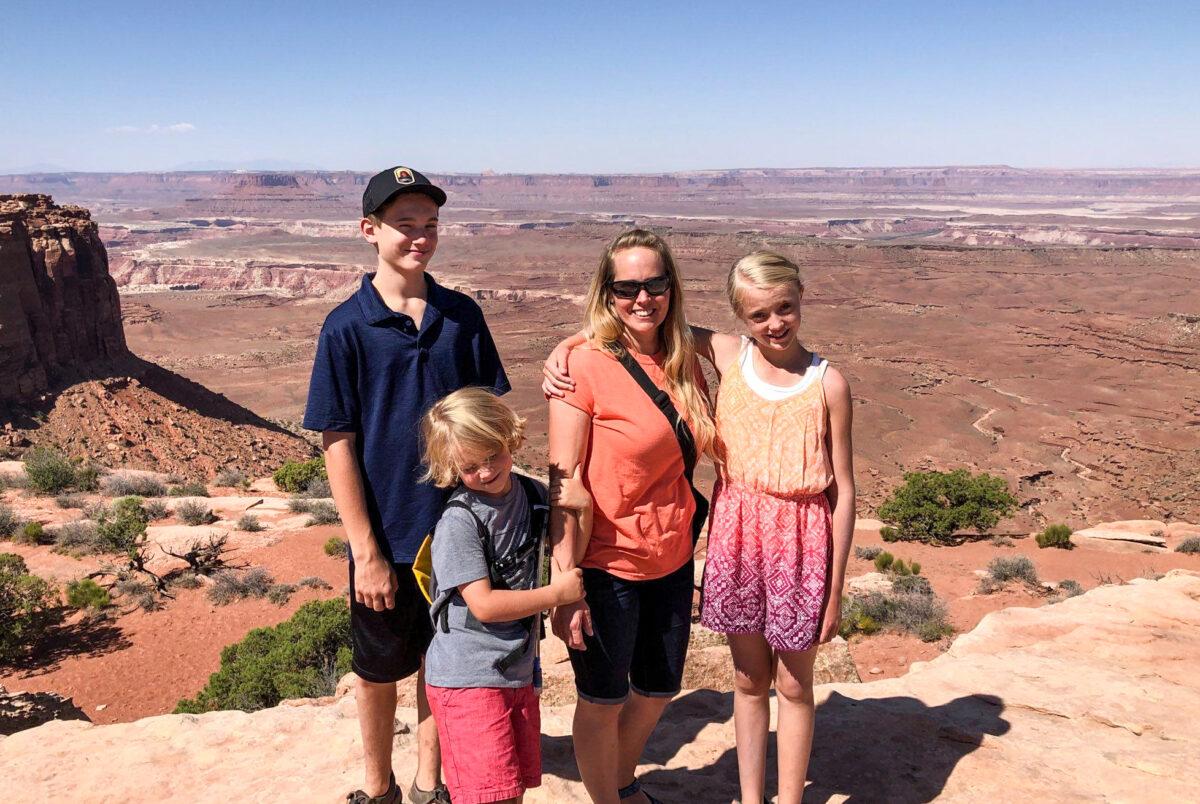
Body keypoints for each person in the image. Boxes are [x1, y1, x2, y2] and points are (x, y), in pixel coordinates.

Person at [545, 250, 855, 804]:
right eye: (758, 315)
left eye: (785, 308)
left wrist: (835, 586)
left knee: (773, 681)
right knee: (737, 679)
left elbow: (844, 488)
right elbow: (634, 326)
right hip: (712, 541)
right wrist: (568, 344)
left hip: (767, 545)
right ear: (741, 315)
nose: (774, 323)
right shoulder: (725, 356)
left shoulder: (806, 377)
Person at [303, 166, 510, 804]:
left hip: (462, 531)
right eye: (404, 225)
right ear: (369, 231)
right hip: (389, 534)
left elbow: (491, 418)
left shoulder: (461, 315)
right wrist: (363, 550)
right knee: (377, 670)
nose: (419, 237)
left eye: (429, 225)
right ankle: (377, 787)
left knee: (442, 666)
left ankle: (429, 785)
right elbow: (338, 442)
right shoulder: (347, 327)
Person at [546, 229, 716, 804]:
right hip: (605, 564)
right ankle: (609, 796)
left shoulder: (685, 356)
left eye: (654, 284)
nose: (643, 299)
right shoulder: (581, 365)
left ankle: (618, 779)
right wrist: (565, 585)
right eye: (626, 288)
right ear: (607, 293)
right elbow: (564, 481)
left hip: (670, 556)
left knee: (659, 688)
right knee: (601, 698)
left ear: (672, 287)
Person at [420, 387, 588, 804]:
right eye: (470, 465)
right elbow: (484, 604)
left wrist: (582, 510)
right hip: (468, 678)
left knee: (509, 792)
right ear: (451, 467)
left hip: (515, 671)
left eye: (492, 454)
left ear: (508, 438)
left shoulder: (531, 495)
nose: (486, 470)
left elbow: (568, 547)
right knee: (487, 796)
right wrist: (556, 594)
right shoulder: (458, 523)